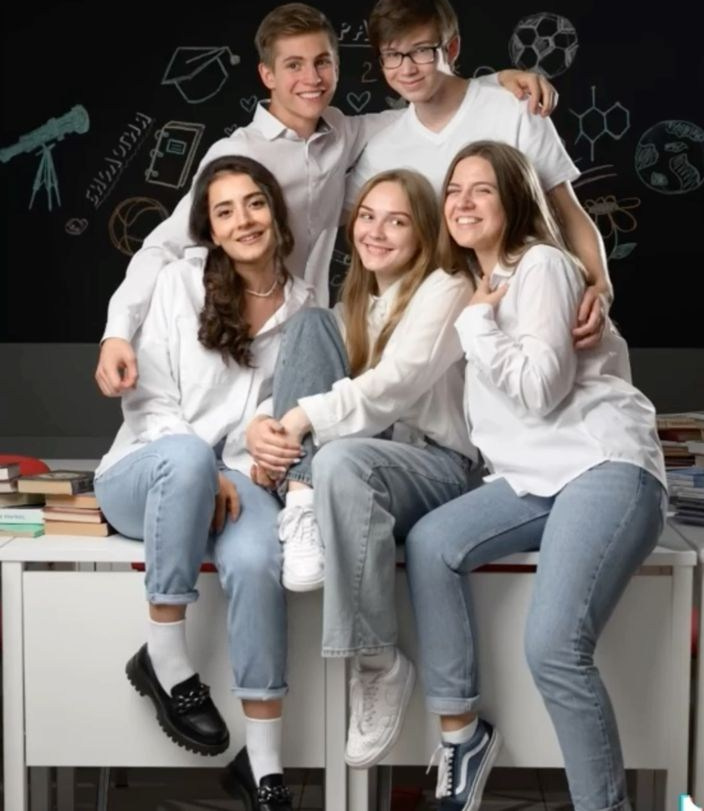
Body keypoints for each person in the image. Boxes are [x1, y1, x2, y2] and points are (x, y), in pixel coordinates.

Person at [95, 1, 555, 398]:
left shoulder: (341, 133)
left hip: (301, 331)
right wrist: (117, 333)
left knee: (291, 451)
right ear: (267, 75)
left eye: (322, 63)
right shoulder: (236, 156)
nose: (311, 78)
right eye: (294, 65)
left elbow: (426, 106)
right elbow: (161, 247)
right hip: (224, 335)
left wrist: (497, 82)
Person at [403, 141, 667, 811]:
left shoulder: (541, 265)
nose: (462, 201)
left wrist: (477, 324)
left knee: (554, 647)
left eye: (482, 189)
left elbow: (541, 390)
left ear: (514, 198)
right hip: (535, 478)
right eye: (454, 189)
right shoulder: (480, 284)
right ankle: (463, 735)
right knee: (431, 543)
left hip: (602, 465)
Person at [94, 155, 313, 811]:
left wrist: (253, 455)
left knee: (258, 558)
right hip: (146, 474)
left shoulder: (306, 307)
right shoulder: (180, 283)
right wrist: (203, 464)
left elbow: (281, 415)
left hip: (238, 483)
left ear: (276, 212)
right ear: (210, 230)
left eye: (255, 203)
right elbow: (150, 402)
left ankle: (264, 768)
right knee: (188, 457)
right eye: (225, 211)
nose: (243, 220)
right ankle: (165, 656)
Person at [246, 168, 476, 769]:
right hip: (358, 468)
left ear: (424, 233)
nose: (376, 231)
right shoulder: (354, 304)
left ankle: (378, 663)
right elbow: (316, 389)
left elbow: (396, 384)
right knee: (310, 324)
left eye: (397, 221)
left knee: (341, 457)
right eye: (368, 217)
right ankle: (302, 503)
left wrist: (298, 421)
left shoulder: (448, 287)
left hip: (437, 468)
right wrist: (262, 431)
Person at [347, 0, 612, 349]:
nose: (406, 68)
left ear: (452, 47)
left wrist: (601, 286)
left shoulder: (514, 109)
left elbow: (568, 210)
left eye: (422, 51)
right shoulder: (382, 149)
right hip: (438, 332)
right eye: (392, 55)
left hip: (529, 316)